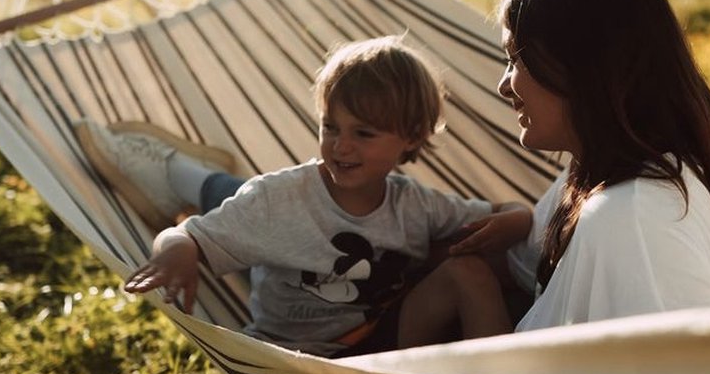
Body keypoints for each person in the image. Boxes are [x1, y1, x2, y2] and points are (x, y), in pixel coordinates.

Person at [76, 35, 531, 357]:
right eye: (329, 127)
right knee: (246, 205)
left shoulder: (416, 204)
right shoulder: (280, 197)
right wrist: (174, 250)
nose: (340, 145)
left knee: (470, 270)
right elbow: (187, 237)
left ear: (410, 138)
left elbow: (509, 211)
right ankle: (177, 170)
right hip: (291, 359)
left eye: (363, 133)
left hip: (381, 349)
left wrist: (517, 220)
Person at [493, 0, 710, 332]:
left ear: (583, 67)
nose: (504, 86)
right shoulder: (612, 184)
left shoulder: (634, 215)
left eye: (516, 60)